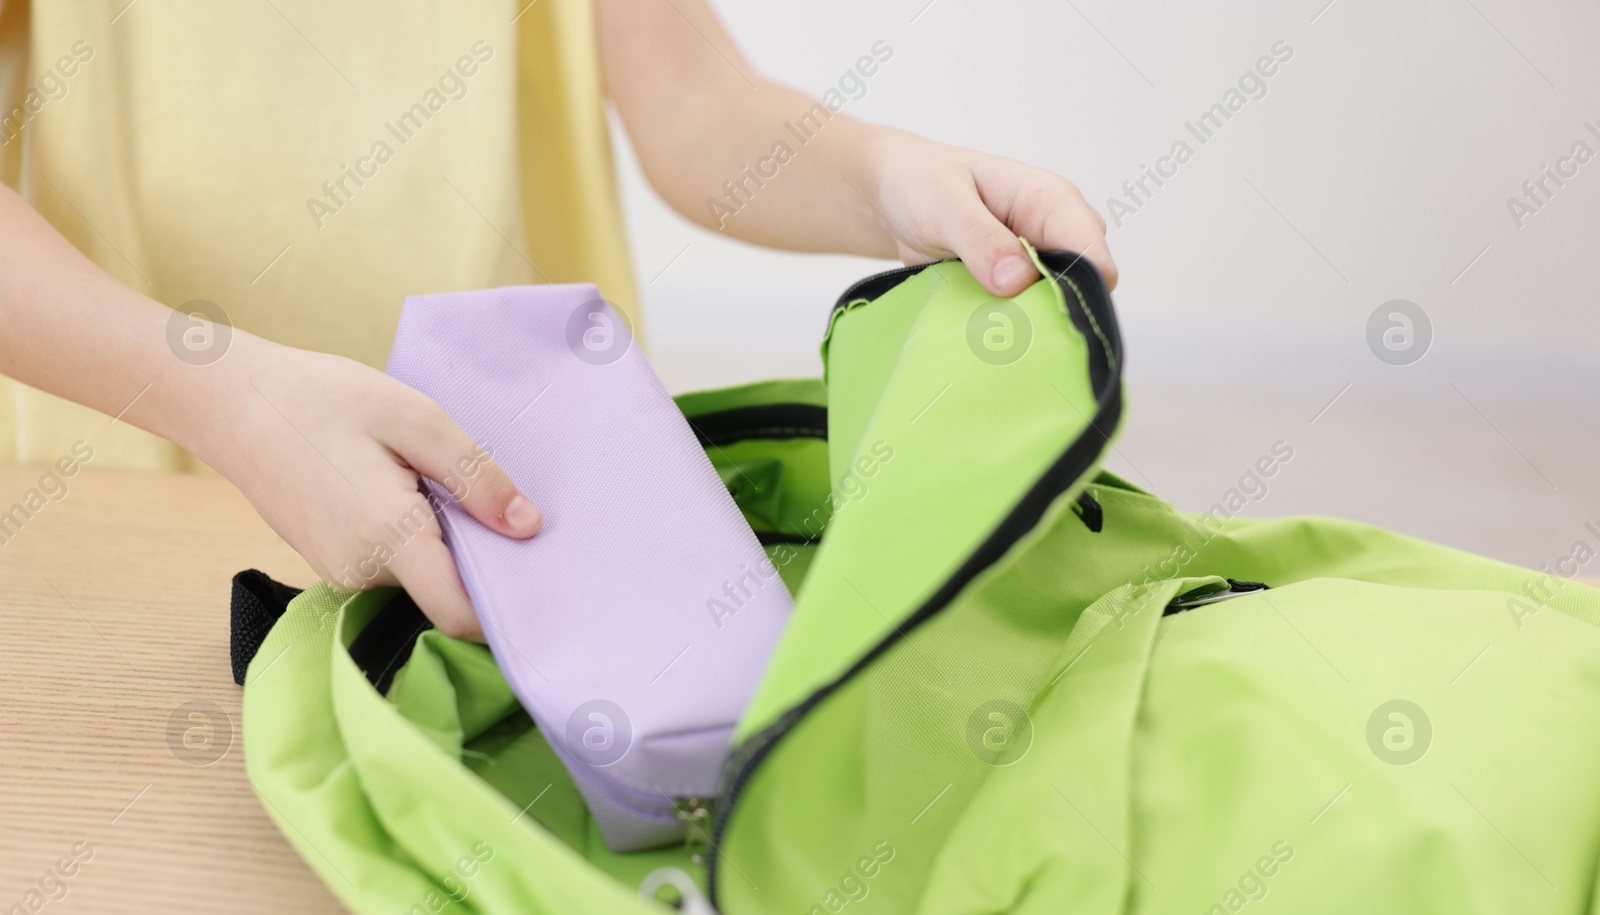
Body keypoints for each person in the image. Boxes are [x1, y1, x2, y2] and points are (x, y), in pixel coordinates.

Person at [0, 0, 1115, 639]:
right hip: (127, 482)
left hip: (520, 497)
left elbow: (692, 103)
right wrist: (223, 395)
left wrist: (887, 178)